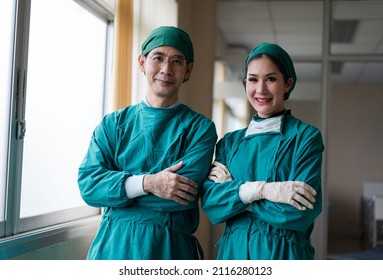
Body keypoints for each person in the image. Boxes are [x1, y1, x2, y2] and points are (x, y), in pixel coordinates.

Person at [78, 26, 217, 260]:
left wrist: (120, 190)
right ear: (142, 63)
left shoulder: (199, 129)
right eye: (158, 58)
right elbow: (90, 186)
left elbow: (182, 194)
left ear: (188, 70)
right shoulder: (113, 124)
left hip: (169, 250)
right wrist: (148, 183)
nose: (166, 69)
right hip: (113, 249)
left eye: (176, 61)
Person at [201, 42, 324, 260]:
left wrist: (235, 193)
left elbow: (299, 212)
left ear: (287, 84)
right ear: (245, 83)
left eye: (271, 79)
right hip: (234, 254)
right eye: (253, 79)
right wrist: (263, 190)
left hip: (285, 254)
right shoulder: (229, 143)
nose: (261, 90)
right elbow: (212, 205)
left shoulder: (305, 138)